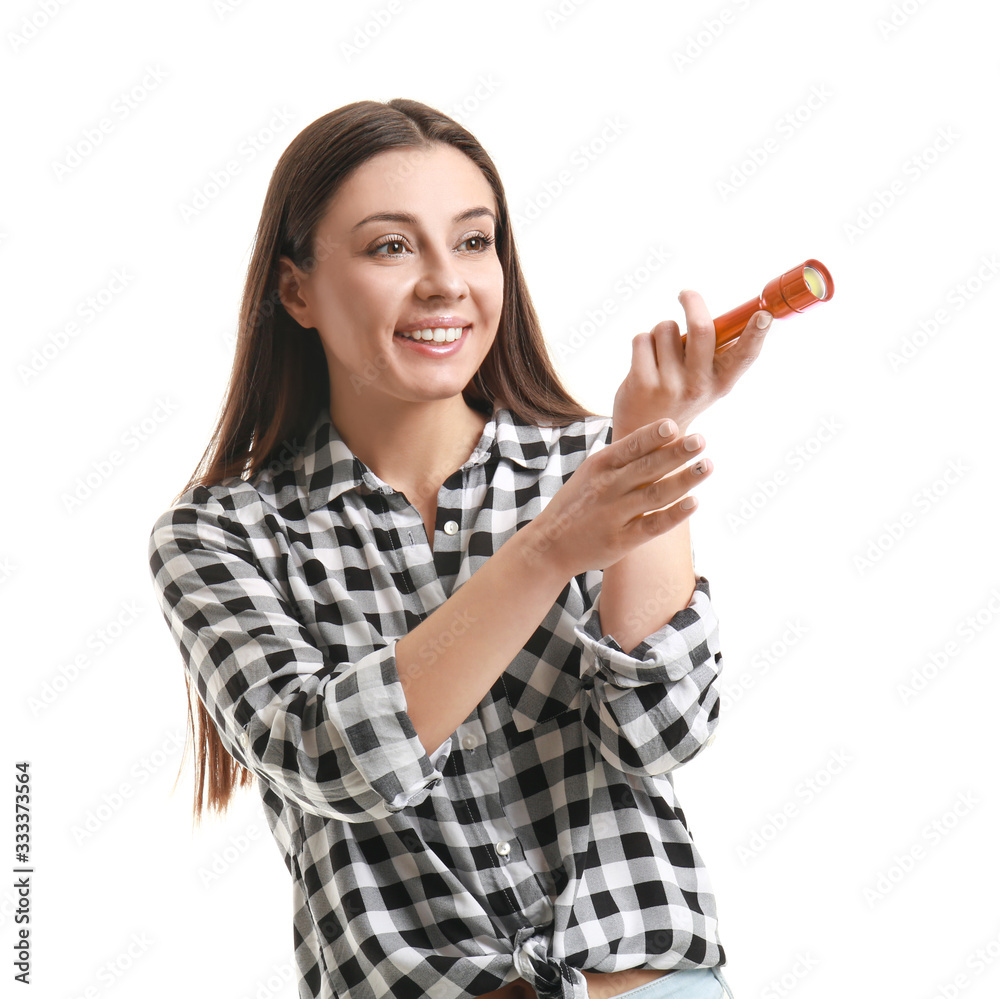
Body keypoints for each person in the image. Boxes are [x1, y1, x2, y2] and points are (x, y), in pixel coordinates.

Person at [147, 98, 770, 999]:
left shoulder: (584, 467)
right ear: (297, 291)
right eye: (391, 247)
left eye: (475, 242)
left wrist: (650, 444)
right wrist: (546, 551)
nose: (446, 281)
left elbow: (661, 733)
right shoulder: (218, 535)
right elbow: (333, 758)